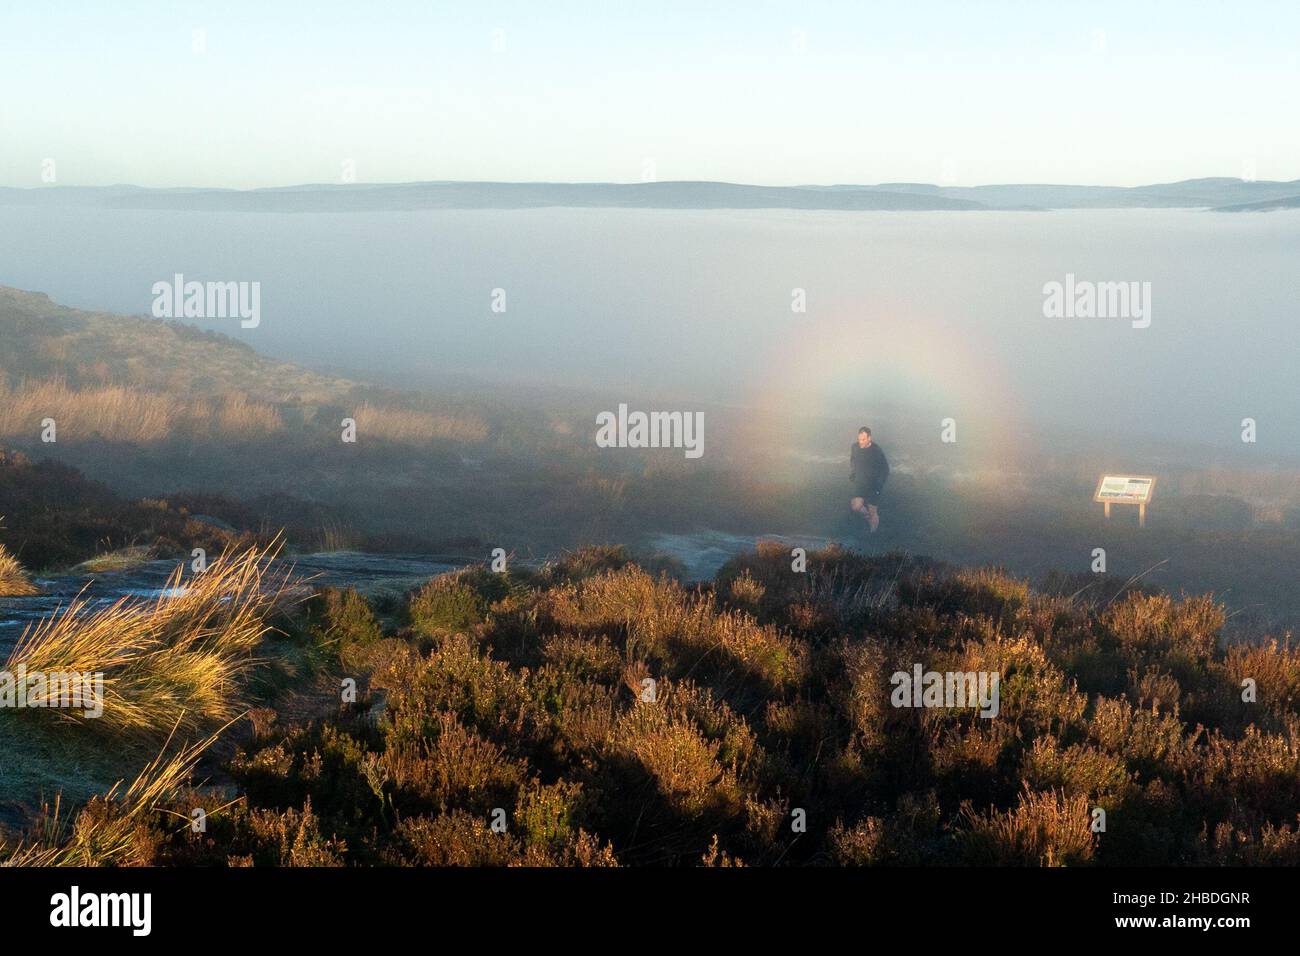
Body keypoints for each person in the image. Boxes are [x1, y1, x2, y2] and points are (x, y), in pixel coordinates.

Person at [849, 426, 889, 532]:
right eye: (859, 439)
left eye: (863, 440)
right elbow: (852, 460)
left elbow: (885, 469)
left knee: (873, 512)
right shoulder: (855, 447)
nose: (860, 442)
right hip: (860, 483)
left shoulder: (876, 450)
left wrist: (879, 485)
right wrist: (853, 473)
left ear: (869, 438)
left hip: (873, 485)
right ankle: (867, 517)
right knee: (856, 506)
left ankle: (873, 532)